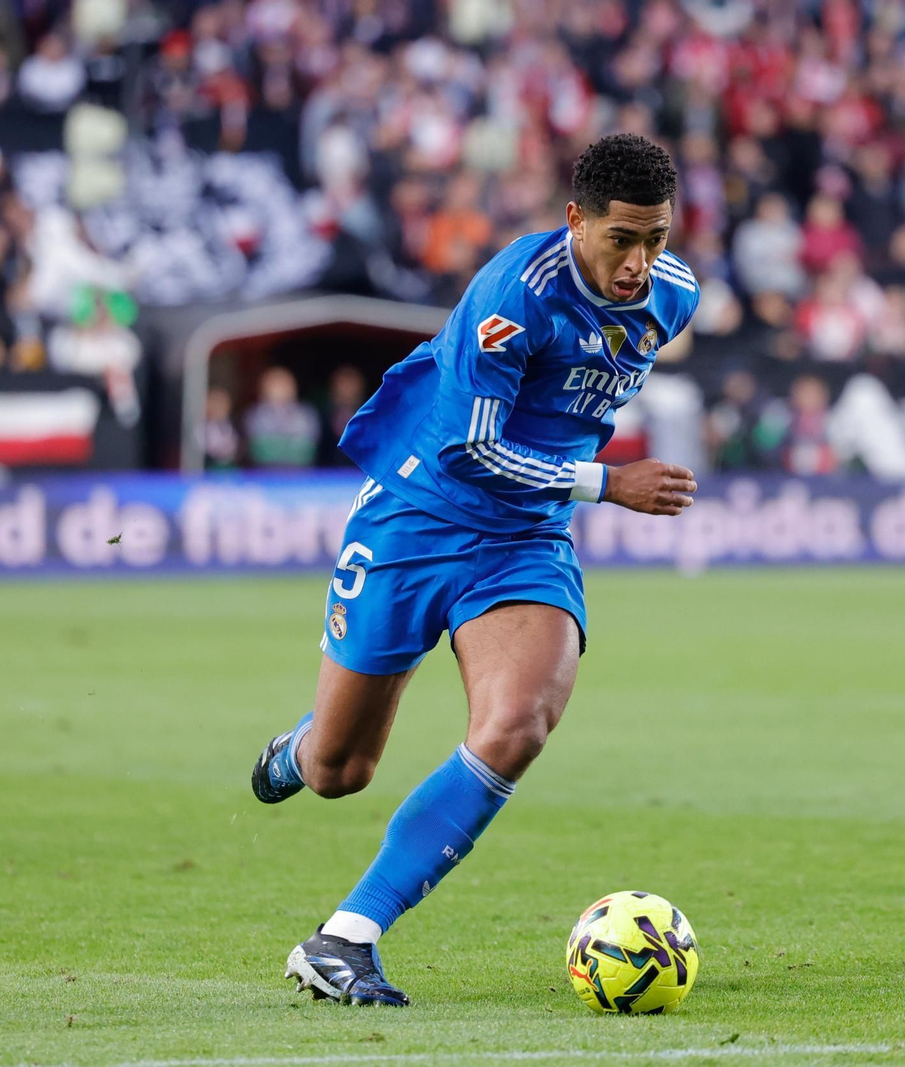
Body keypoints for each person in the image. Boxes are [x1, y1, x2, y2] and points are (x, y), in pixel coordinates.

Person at [248, 134, 701, 1005]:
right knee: (342, 770)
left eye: (658, 239)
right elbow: (472, 447)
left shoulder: (672, 298)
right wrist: (608, 483)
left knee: (519, 723)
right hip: (418, 515)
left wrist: (576, 485)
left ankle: (346, 938)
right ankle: (301, 746)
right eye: (621, 240)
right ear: (575, 221)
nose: (641, 263)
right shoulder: (512, 297)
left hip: (524, 538)